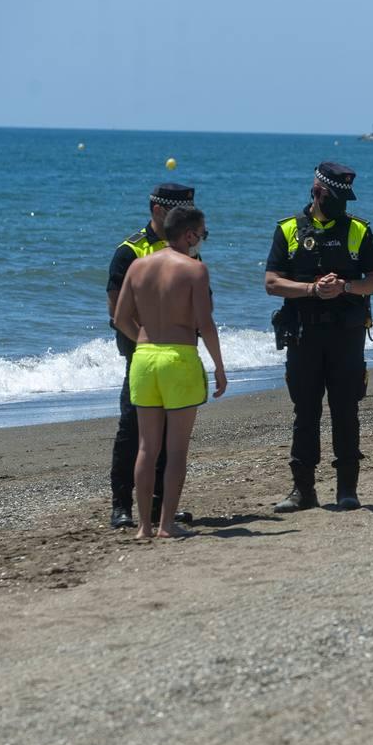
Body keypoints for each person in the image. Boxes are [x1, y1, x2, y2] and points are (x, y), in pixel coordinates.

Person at [265, 162, 373, 512]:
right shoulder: (288, 229)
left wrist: (346, 286)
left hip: (346, 337)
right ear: (317, 192)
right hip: (303, 335)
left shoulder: (359, 230)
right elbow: (272, 283)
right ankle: (303, 490)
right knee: (305, 411)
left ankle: (347, 490)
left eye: (344, 199)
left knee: (346, 410)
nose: (341, 205)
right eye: (335, 198)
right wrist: (311, 289)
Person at [112, 207, 226, 539]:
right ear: (189, 235)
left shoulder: (137, 265)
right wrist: (219, 366)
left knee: (147, 447)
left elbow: (120, 318)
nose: (202, 240)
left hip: (144, 359)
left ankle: (143, 527)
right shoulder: (195, 270)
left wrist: (146, 342)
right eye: (202, 234)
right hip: (179, 358)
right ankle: (166, 524)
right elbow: (205, 324)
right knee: (176, 449)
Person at [106, 183, 195, 529]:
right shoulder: (130, 250)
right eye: (179, 214)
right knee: (133, 428)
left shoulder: (188, 249)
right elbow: (117, 311)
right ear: (158, 211)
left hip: (177, 354)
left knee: (171, 431)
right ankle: (121, 506)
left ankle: (162, 506)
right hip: (140, 352)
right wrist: (147, 341)